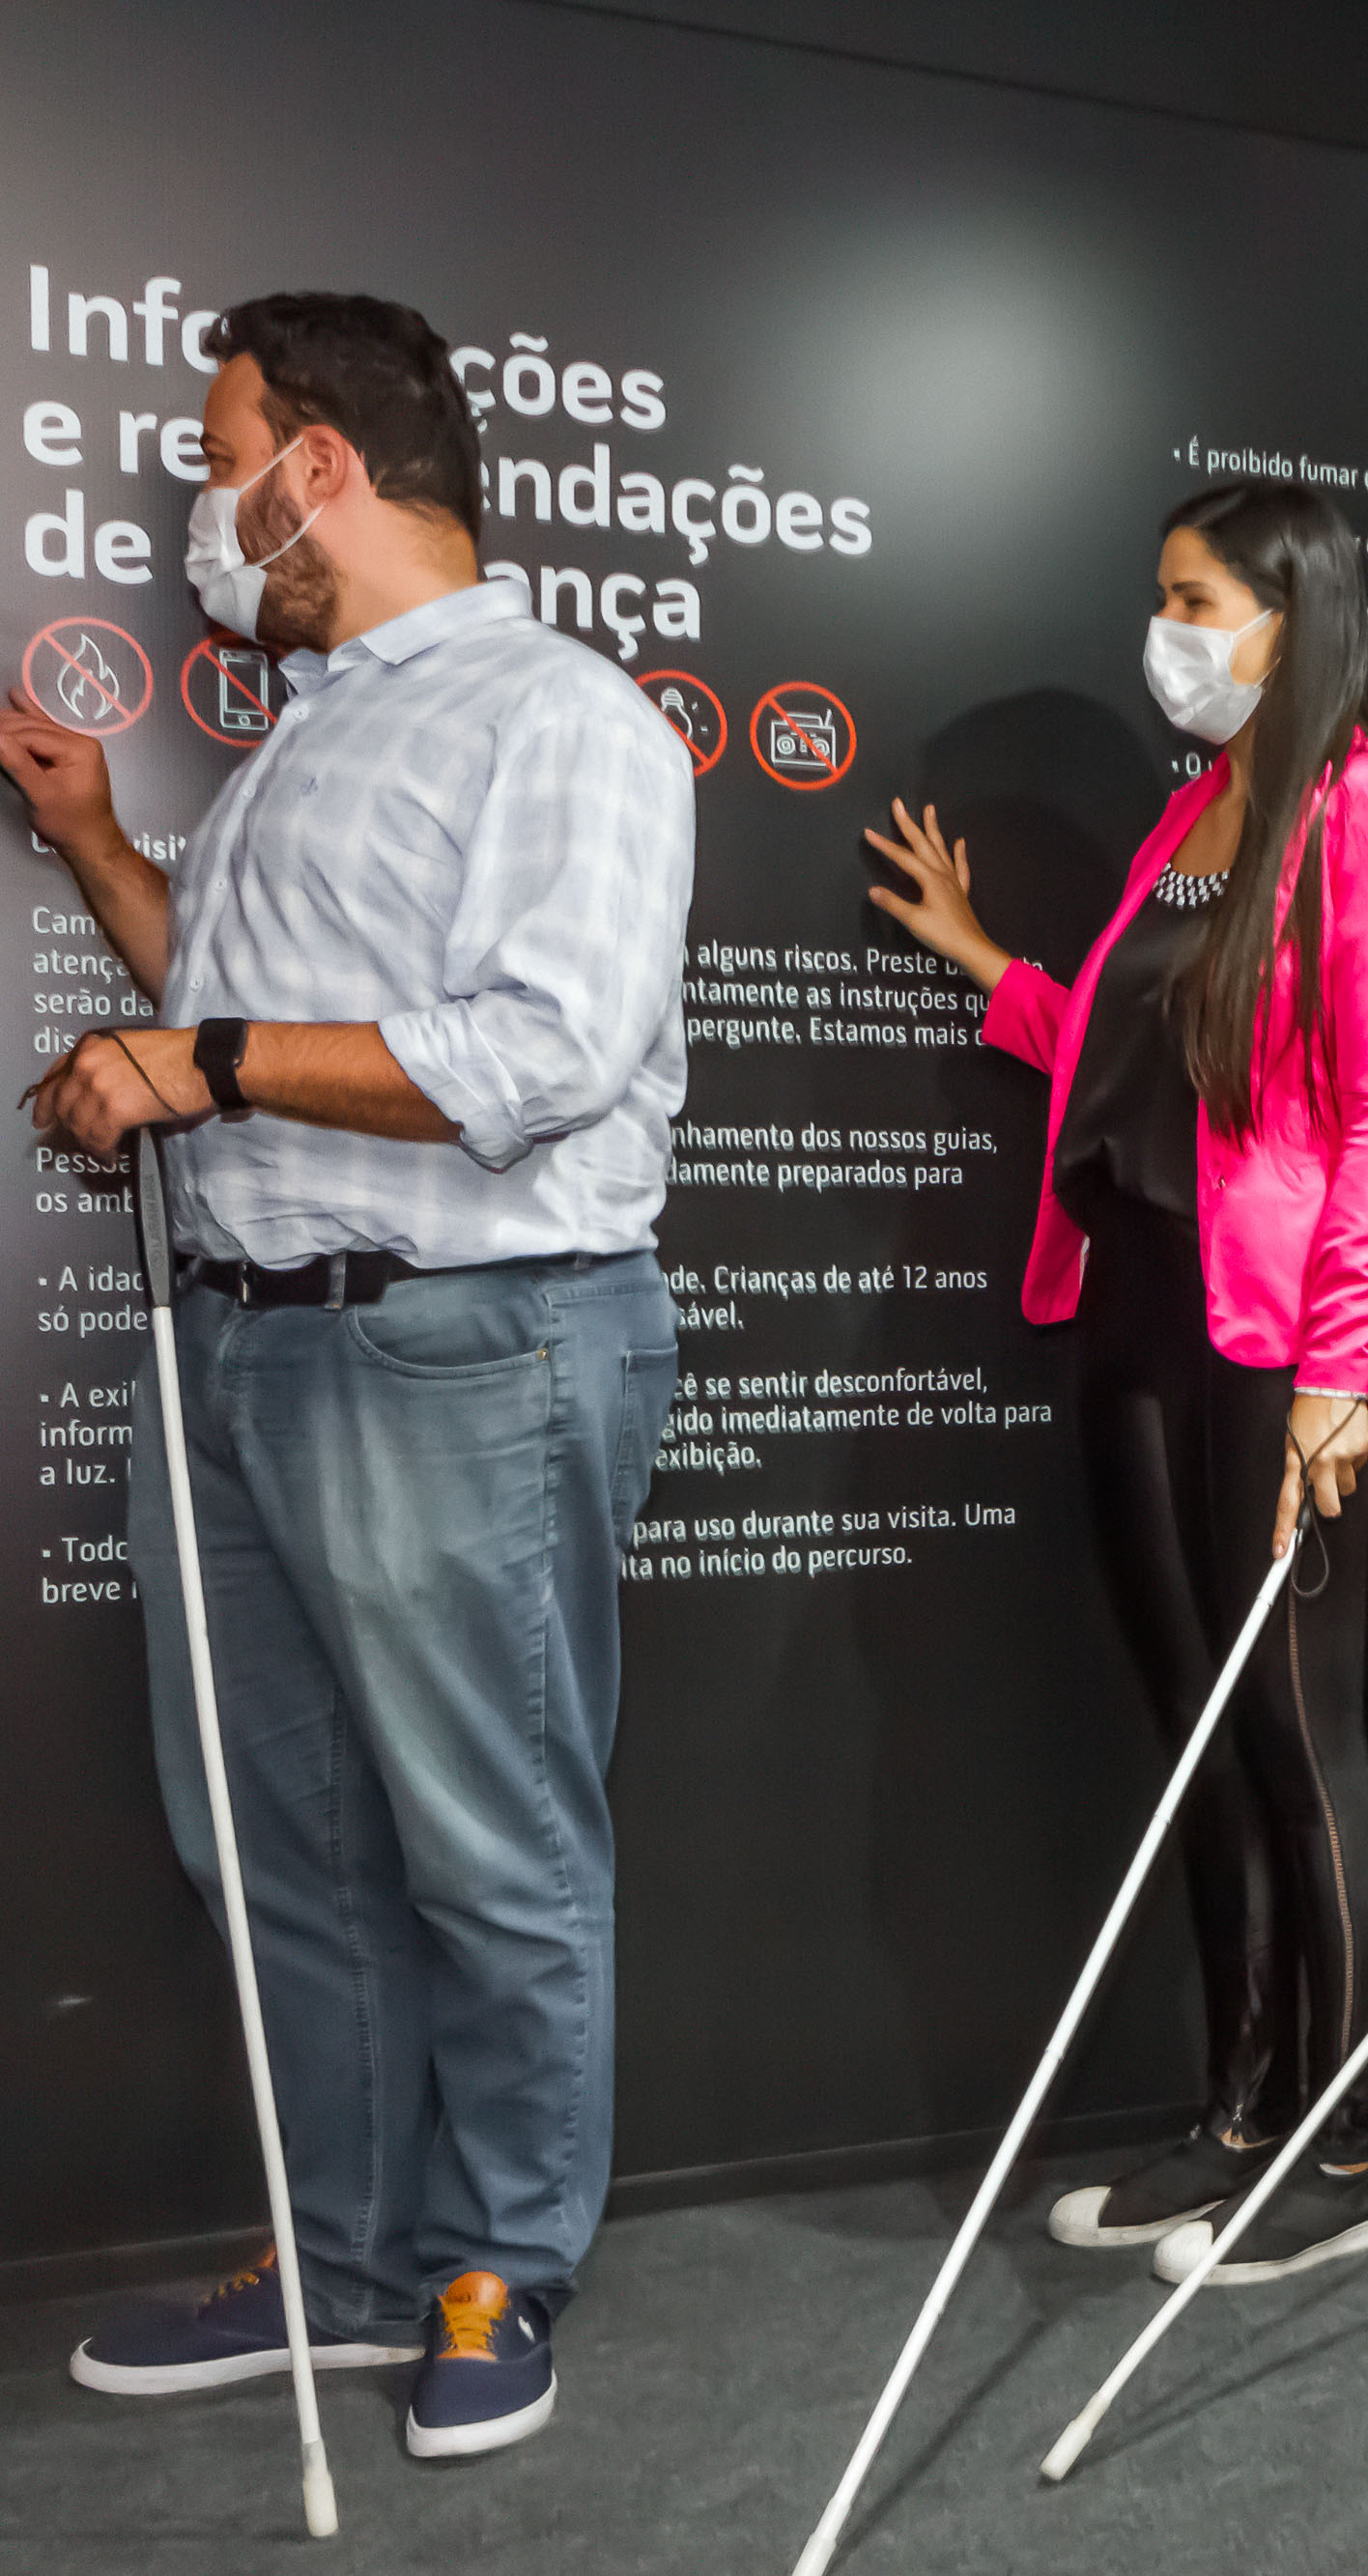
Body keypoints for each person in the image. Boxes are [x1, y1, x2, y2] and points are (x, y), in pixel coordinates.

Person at [14, 295, 691, 2459]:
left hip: (460, 1345)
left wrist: (188, 1057)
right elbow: (245, 1003)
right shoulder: (307, 723)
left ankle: (499, 2262)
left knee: (489, 1841)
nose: (204, 510)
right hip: (244, 1345)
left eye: (223, 457)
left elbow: (534, 1054)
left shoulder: (555, 711)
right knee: (276, 1846)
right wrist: (111, 852)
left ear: (316, 468)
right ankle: (341, 2253)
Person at [863, 477, 1368, 2285]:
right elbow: (1150, 1069)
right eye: (1166, 599)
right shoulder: (1197, 814)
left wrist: (1340, 1367)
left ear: (1292, 615)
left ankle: (1346, 2133)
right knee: (1206, 1732)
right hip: (1140, 1307)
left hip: (1292, 1338)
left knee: (1301, 1733)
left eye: (1197, 600)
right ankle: (1239, 2110)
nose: (1172, 634)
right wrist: (993, 970)